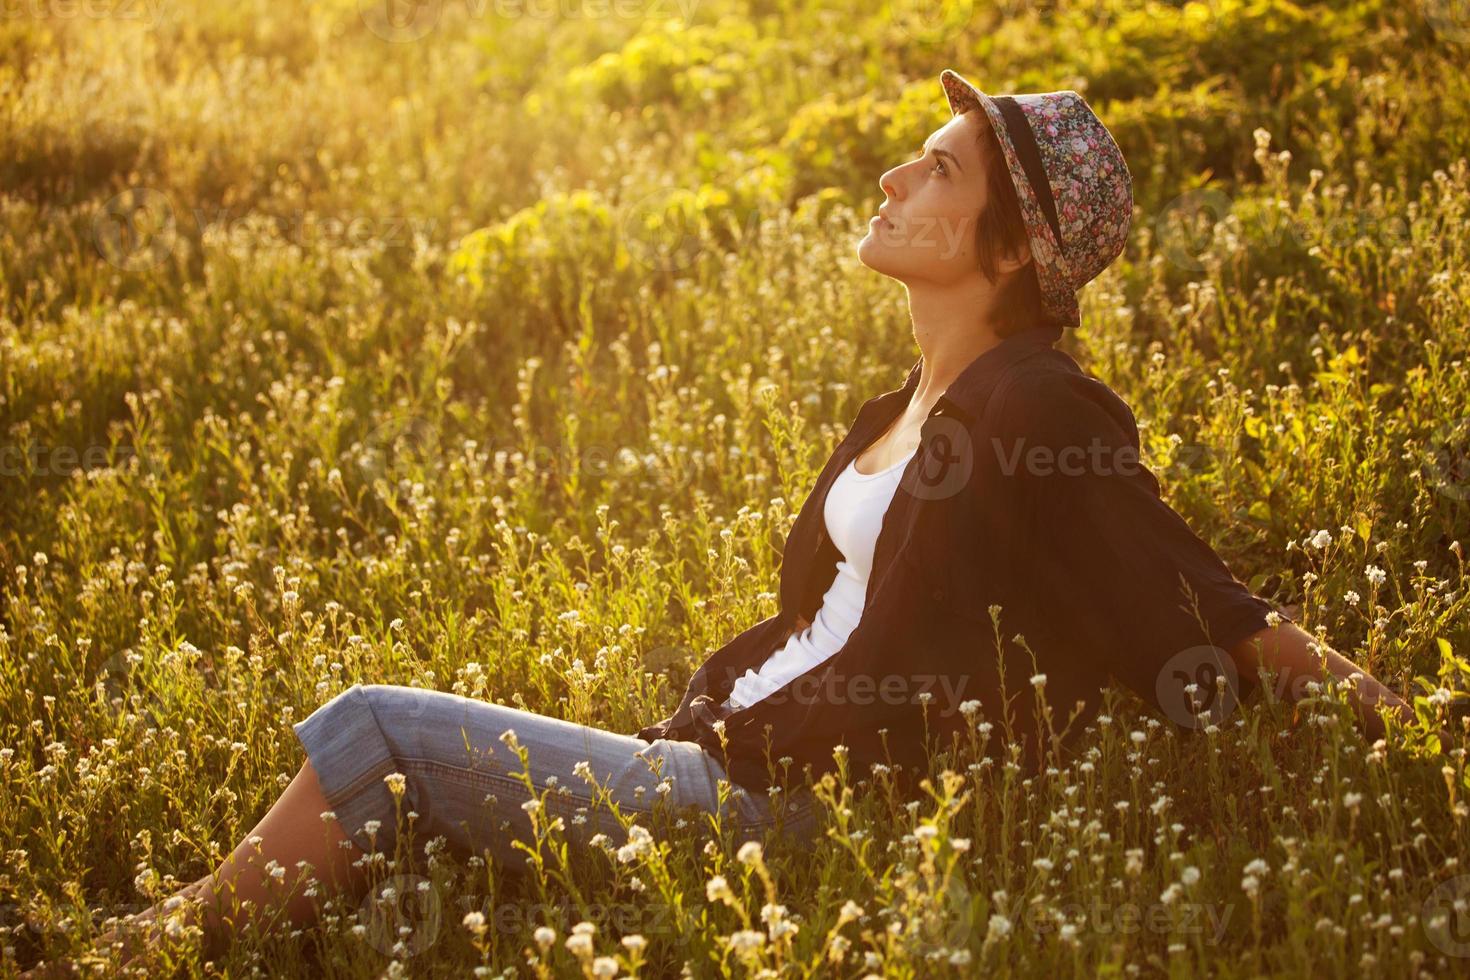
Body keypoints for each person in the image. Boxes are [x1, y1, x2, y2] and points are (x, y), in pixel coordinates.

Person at [22, 68, 1416, 978]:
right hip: (716, 757)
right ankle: (221, 935)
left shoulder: (1038, 405)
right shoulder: (894, 406)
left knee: (381, 727)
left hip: (795, 812)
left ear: (1009, 249)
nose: (891, 179)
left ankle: (132, 956)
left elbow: (1191, 593)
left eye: (935, 171)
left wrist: (1398, 719)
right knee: (406, 824)